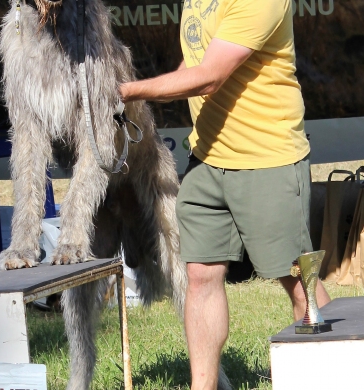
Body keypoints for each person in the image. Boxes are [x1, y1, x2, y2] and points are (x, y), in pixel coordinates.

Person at [119, 0, 331, 388]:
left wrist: (124, 92)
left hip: (268, 160)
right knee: (199, 275)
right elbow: (195, 64)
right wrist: (149, 90)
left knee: (298, 280)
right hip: (207, 158)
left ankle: (337, 373)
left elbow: (210, 77)